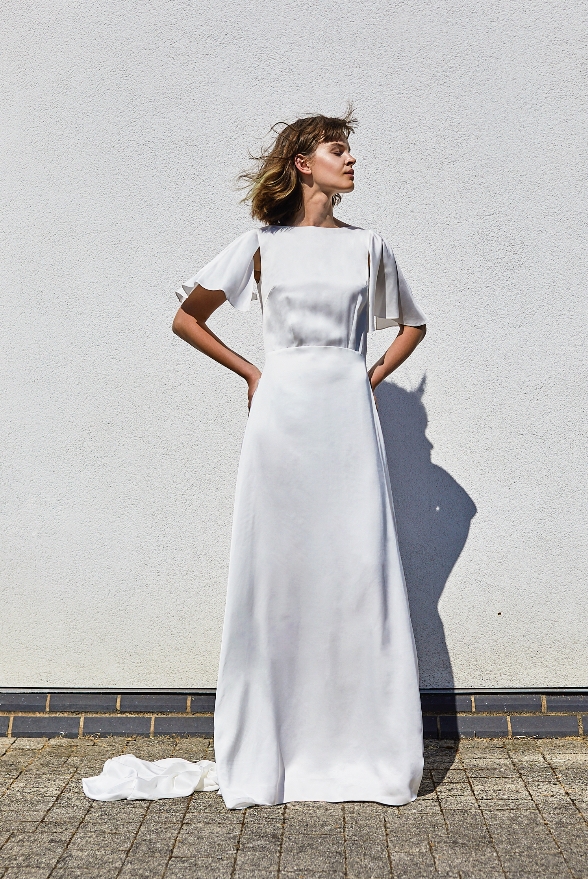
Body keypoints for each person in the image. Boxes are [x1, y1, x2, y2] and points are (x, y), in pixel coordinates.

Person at [83, 110, 427, 809]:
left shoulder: (370, 245)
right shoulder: (262, 245)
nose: (351, 160)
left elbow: (412, 323)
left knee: (358, 568)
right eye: (338, 150)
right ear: (303, 162)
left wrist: (366, 377)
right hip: (283, 420)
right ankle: (272, 750)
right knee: (277, 572)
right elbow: (188, 316)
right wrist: (251, 372)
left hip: (347, 421)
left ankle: (364, 747)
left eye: (349, 150)